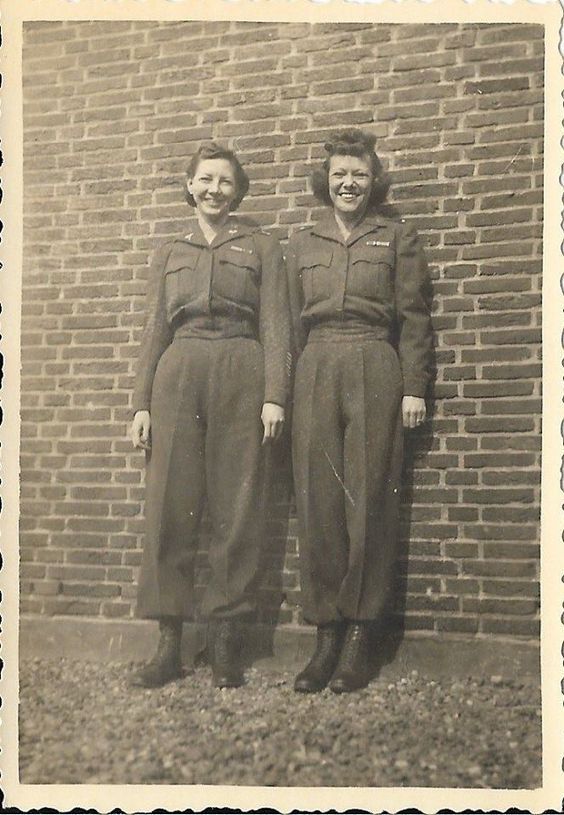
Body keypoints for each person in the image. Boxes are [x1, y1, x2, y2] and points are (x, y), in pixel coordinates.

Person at [129, 142, 290, 689]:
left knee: (237, 506)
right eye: (205, 180)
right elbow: (155, 329)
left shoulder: (262, 246)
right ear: (190, 186)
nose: (214, 190)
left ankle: (225, 643)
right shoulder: (170, 250)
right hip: (179, 373)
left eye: (225, 181)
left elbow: (275, 325)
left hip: (241, 371)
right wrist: (141, 402)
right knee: (170, 506)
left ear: (237, 190)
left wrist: (275, 394)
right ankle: (169, 645)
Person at [286, 129, 433, 694]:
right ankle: (326, 631)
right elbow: (290, 321)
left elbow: (415, 319)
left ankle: (359, 637)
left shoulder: (397, 237)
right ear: (325, 181)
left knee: (370, 495)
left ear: (376, 182)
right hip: (317, 364)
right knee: (318, 497)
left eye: (360, 175)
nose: (349, 184)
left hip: (375, 361)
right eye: (340, 174)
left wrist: (414, 386)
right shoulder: (301, 243)